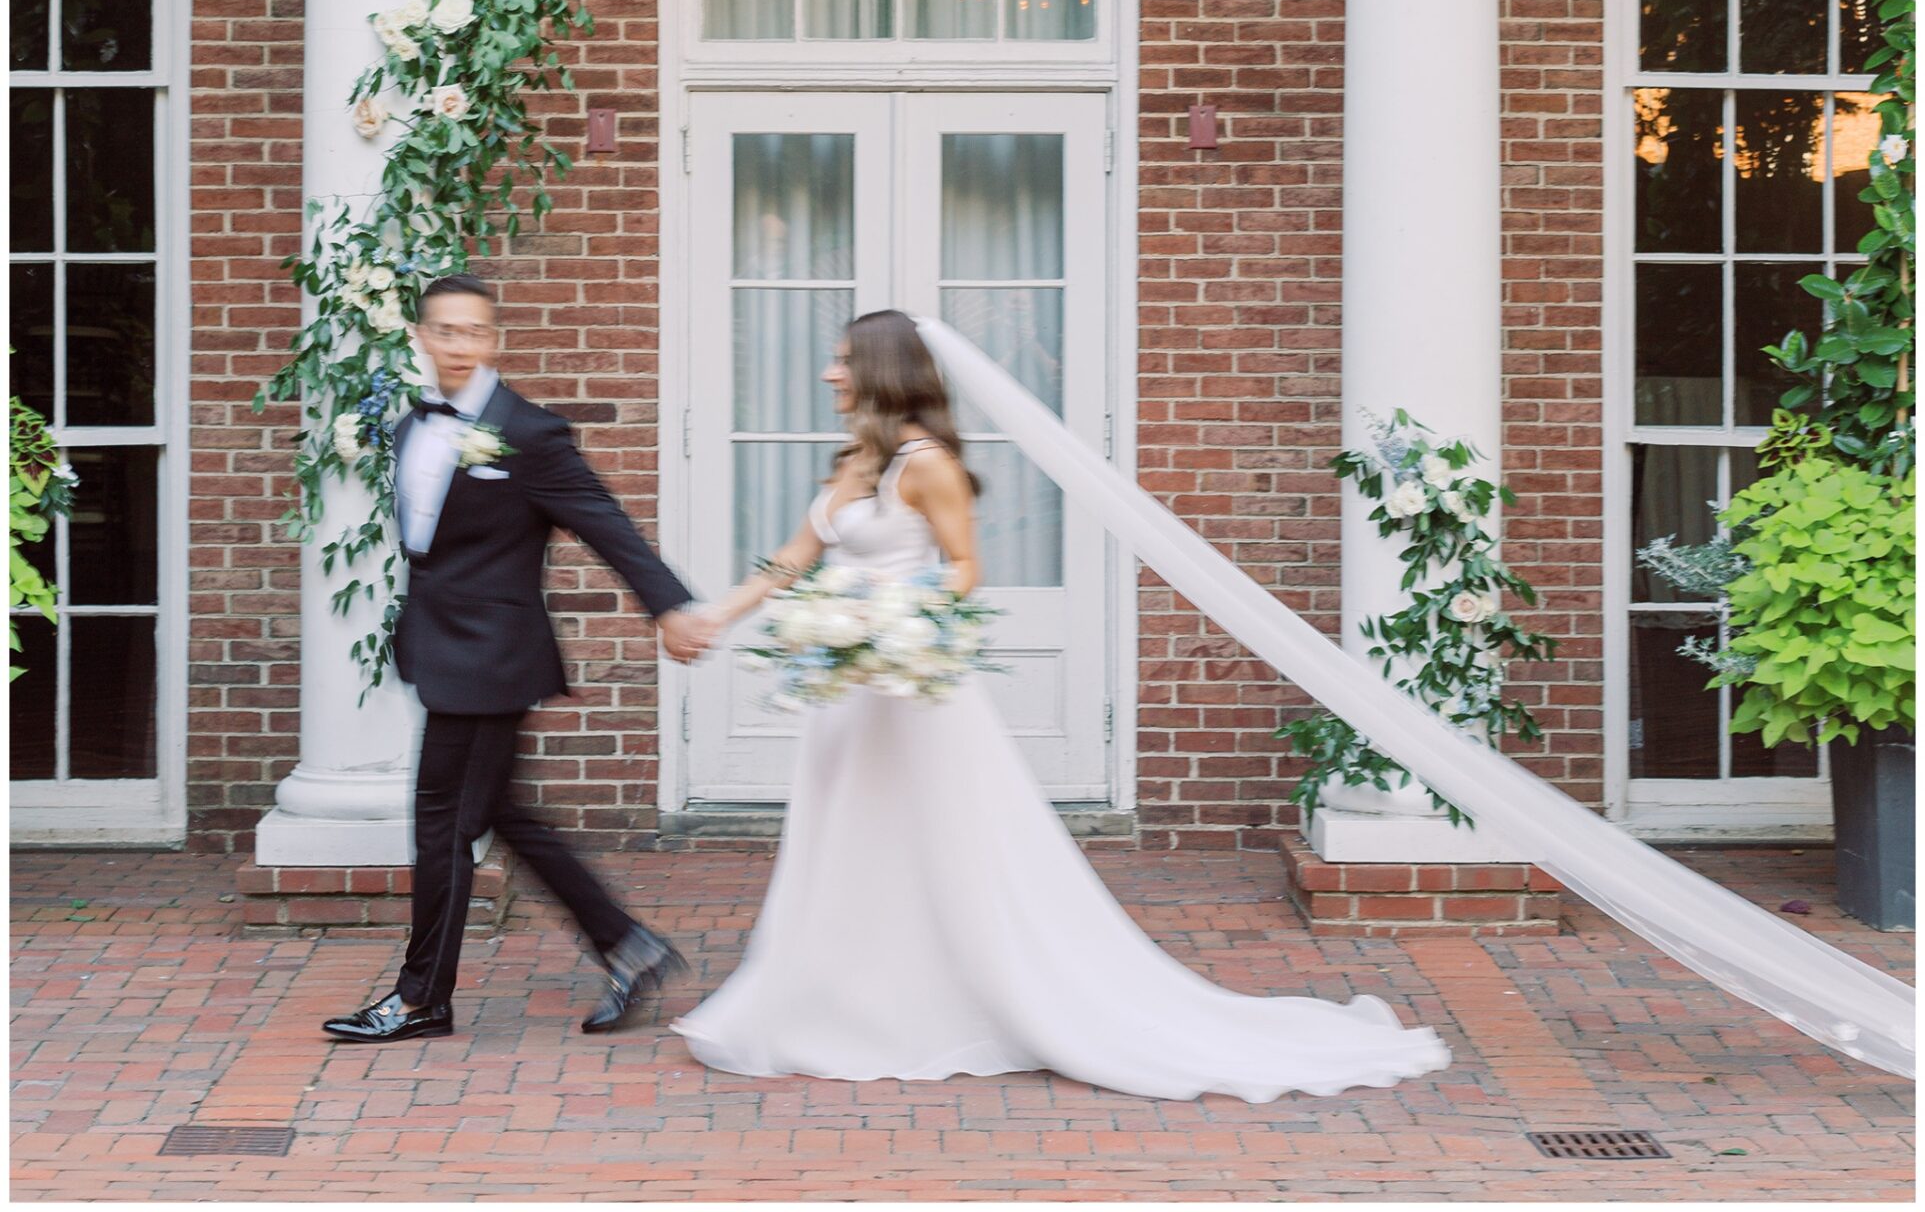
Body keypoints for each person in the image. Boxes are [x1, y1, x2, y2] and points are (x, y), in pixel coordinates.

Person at [675, 309, 1451, 1102]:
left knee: (934, 843)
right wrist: (716, 614)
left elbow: (966, 568)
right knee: (846, 845)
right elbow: (791, 560)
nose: (829, 375)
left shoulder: (925, 463)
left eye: (842, 361)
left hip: (908, 688)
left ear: (881, 371)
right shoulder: (850, 462)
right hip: (847, 695)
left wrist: (885, 623)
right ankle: (835, 1001)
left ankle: (947, 1002)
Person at [322, 273, 715, 1046]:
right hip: (442, 650)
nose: (460, 345)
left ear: (494, 340)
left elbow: (606, 523)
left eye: (475, 332)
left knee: (440, 825)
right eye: (445, 331)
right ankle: (627, 945)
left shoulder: (530, 433)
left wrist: (669, 605)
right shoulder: (409, 427)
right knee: (496, 812)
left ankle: (420, 997)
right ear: (421, 338)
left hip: (492, 659)